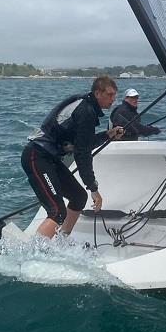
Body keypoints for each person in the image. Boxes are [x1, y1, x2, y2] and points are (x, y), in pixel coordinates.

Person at [21, 75, 124, 238]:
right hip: (37, 157)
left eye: (115, 95)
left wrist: (108, 134)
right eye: (110, 95)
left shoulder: (86, 107)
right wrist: (93, 189)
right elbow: (82, 154)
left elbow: (83, 144)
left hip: (49, 159)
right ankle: (33, 255)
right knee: (57, 212)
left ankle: (61, 242)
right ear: (98, 93)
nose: (113, 99)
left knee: (78, 197)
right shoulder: (86, 112)